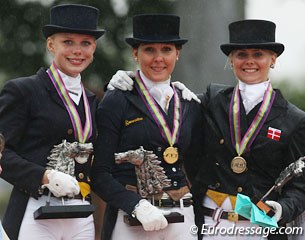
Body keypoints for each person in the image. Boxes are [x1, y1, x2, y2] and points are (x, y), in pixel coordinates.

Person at [108, 19, 305, 240]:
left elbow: (300, 185)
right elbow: (164, 107)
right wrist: (133, 81)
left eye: (258, 54)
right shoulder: (212, 101)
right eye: (241, 55)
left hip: (260, 228)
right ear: (231, 60)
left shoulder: (294, 119)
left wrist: (282, 209)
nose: (249, 61)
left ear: (273, 59)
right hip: (211, 224)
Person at [91, 14, 203, 240]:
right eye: (150, 50)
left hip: (182, 217)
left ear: (177, 53)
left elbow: (198, 168)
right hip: (132, 218)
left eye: (166, 50)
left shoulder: (190, 103)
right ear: (135, 53)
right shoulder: (117, 100)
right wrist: (135, 205)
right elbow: (99, 173)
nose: (158, 58)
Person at [0, 4, 104, 239]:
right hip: (35, 210)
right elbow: (2, 153)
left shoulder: (92, 100)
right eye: (68, 42)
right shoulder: (24, 90)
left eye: (85, 43)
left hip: (81, 214)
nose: (77, 51)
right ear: (51, 44)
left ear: (94, 48)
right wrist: (44, 176)